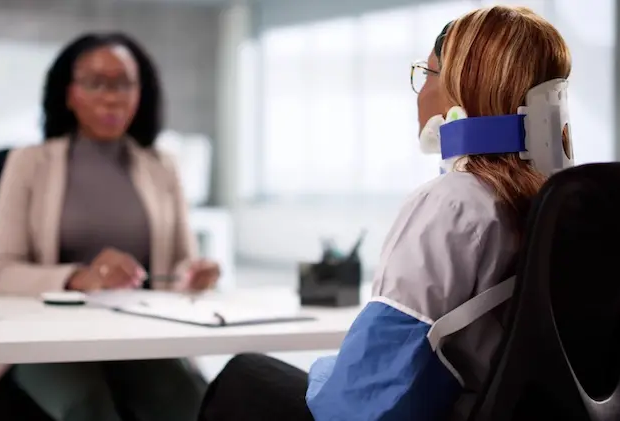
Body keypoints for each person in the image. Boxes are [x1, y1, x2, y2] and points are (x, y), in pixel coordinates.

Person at [197, 5, 572, 421]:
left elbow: (367, 397)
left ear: (461, 93)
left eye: (427, 74)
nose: (420, 92)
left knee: (243, 375)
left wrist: (325, 374)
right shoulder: (562, 201)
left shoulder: (454, 203)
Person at [0, 32, 218, 421]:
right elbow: (4, 274)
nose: (112, 97)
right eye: (96, 83)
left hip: (138, 335)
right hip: (46, 336)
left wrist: (192, 274)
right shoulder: (28, 163)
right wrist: (81, 277)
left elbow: (180, 262)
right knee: (88, 408)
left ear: (141, 92)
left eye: (125, 83)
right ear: (70, 93)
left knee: (194, 404)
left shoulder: (163, 167)